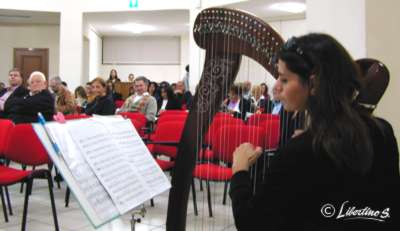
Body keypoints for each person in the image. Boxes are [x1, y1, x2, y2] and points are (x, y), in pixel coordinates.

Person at [229, 33, 399, 231]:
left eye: (284, 79)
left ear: (314, 83)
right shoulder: (383, 131)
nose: (276, 88)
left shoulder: (298, 152)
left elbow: (250, 224)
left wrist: (240, 171)